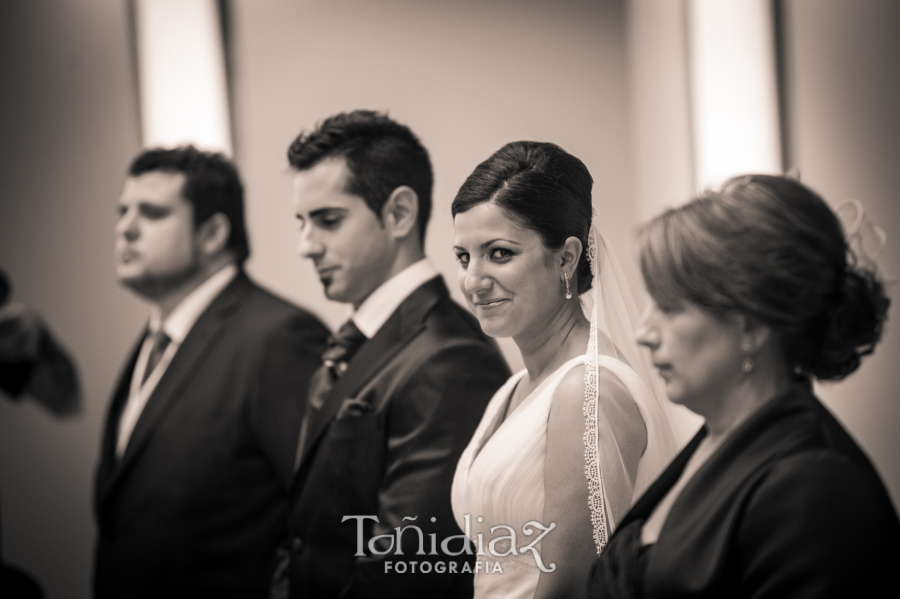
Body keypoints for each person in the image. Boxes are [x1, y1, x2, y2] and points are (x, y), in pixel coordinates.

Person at [589, 174, 900, 598]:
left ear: (751, 325)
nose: (644, 332)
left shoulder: (815, 484)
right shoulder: (715, 438)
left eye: (670, 307)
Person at [277, 110, 510, 599]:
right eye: (302, 222)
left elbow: (406, 567)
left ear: (399, 213)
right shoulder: (355, 340)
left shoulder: (450, 360)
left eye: (328, 220)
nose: (305, 246)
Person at [94, 146, 330, 599]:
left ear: (213, 233)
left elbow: (319, 521)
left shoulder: (278, 337)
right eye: (123, 211)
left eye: (152, 213)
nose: (125, 228)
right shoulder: (154, 340)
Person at [450, 141, 679, 599]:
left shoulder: (587, 391)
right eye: (463, 257)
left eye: (499, 253)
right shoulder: (514, 389)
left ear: (567, 258)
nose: (473, 281)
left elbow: (571, 588)